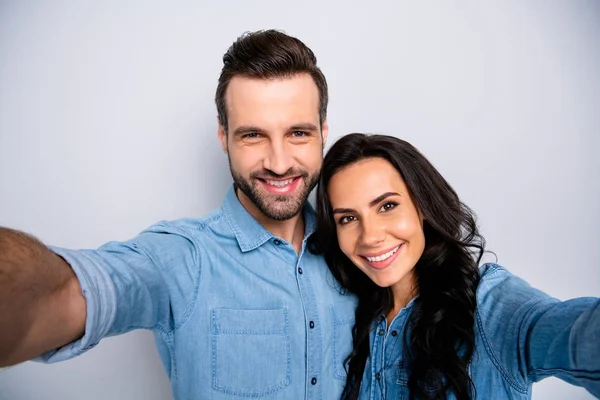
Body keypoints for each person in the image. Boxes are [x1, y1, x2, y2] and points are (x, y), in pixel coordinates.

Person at [0, 30, 357, 400]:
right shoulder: (181, 258)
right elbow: (61, 294)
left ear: (323, 133)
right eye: (253, 135)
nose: (279, 163)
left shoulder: (357, 250)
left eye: (298, 133)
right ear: (223, 136)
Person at [309, 133, 600, 400]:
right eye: (347, 218)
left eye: (387, 206)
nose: (370, 236)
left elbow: (573, 334)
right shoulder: (352, 316)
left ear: (421, 205)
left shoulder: (488, 306)